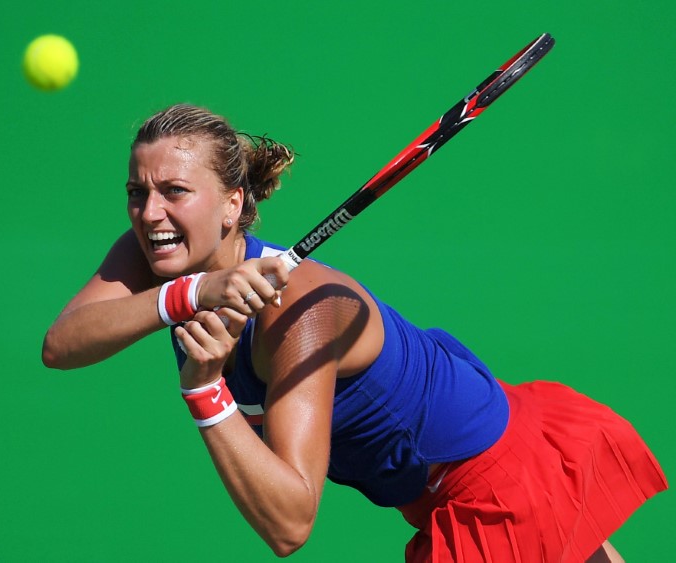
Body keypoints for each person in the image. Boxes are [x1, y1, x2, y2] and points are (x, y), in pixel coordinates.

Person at [42, 103, 667, 561]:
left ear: (233, 204)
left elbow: (289, 523)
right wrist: (194, 293)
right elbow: (63, 344)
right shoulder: (159, 252)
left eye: (174, 191)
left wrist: (206, 390)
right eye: (136, 192)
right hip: (445, 489)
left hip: (499, 484)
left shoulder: (302, 308)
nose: (150, 213)